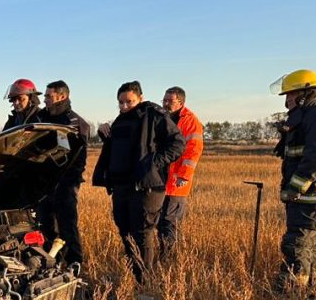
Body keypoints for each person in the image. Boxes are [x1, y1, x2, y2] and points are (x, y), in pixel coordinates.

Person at [92, 81, 185, 281]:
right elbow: (117, 147)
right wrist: (104, 132)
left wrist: (153, 163)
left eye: (129, 102)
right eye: (121, 102)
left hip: (147, 187)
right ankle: (135, 275)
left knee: (143, 233)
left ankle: (145, 281)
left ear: (140, 98)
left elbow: (177, 144)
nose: (124, 106)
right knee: (125, 231)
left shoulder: (154, 115)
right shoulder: (120, 121)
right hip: (121, 186)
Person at [272, 69, 316, 290]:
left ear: (304, 94)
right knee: (309, 248)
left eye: (290, 95)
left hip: (312, 199)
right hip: (306, 199)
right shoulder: (305, 119)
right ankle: (310, 295)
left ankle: (292, 295)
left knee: (297, 246)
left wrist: (295, 187)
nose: (287, 100)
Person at [37, 80, 90, 266]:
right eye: (45, 96)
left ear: (62, 96)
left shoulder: (74, 122)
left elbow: (79, 160)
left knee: (67, 226)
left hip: (65, 183)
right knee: (44, 225)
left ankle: (75, 265)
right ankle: (51, 263)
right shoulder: (41, 118)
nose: (45, 100)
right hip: (43, 183)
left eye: (49, 96)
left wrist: (67, 182)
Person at [157, 86, 204, 259]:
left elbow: (194, 150)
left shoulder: (190, 120)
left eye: (170, 101)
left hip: (176, 183)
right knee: (160, 223)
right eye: (164, 100)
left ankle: (168, 261)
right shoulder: (162, 117)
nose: (166, 103)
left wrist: (184, 175)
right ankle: (162, 258)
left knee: (170, 223)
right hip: (160, 180)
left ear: (181, 102)